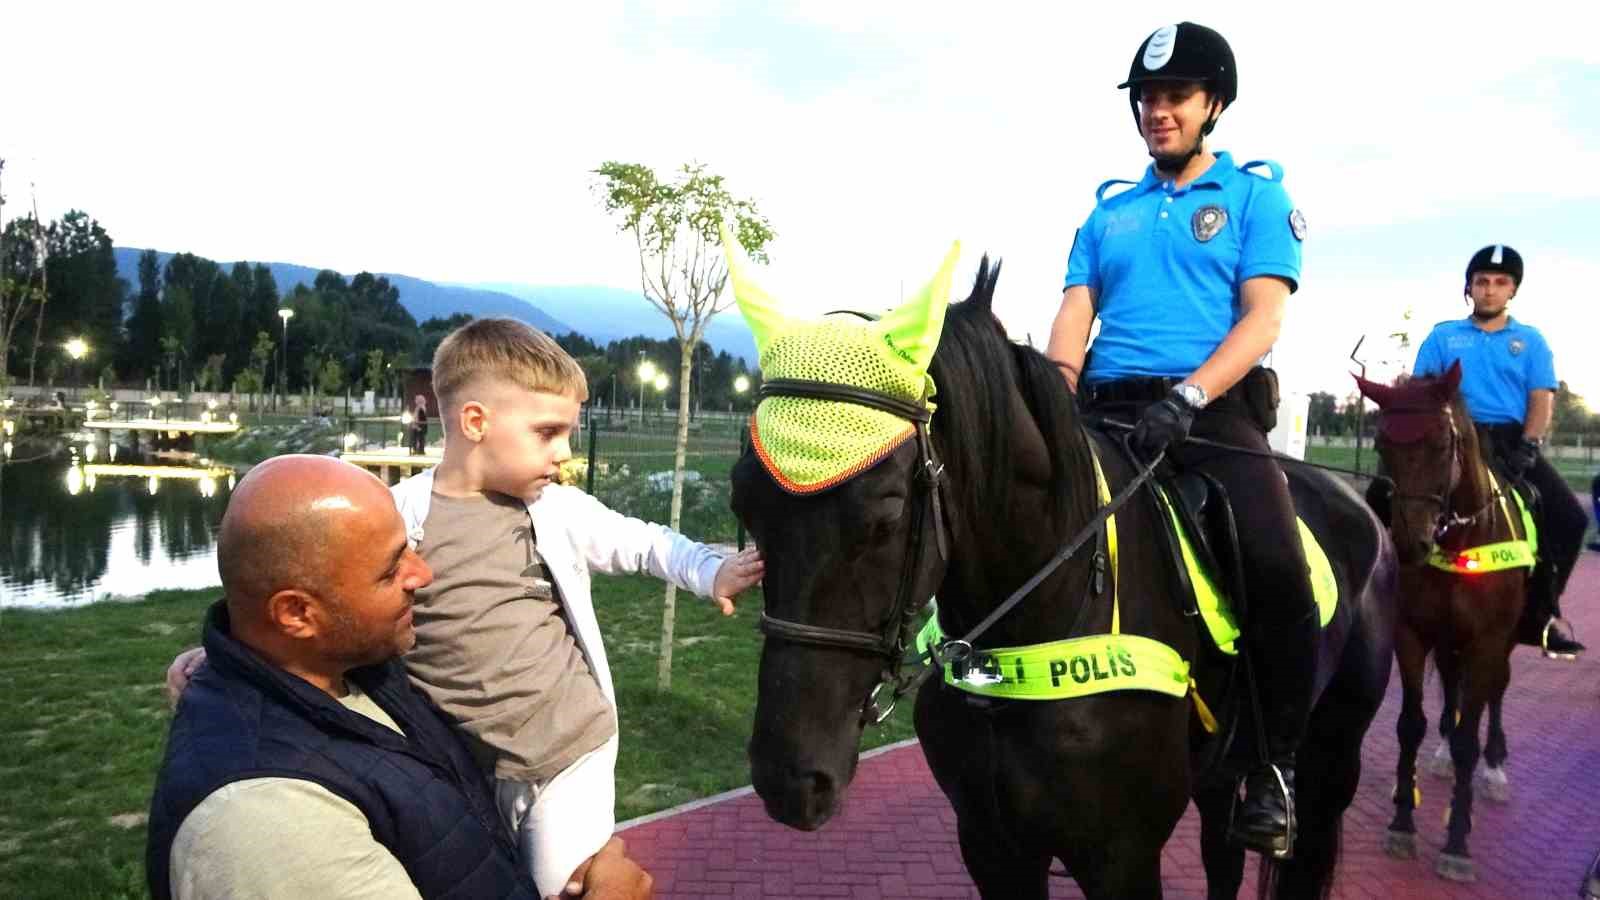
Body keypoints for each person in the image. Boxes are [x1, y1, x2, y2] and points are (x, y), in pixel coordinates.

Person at [168, 317, 763, 897]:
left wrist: (711, 572)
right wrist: (234, 654)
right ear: (476, 421)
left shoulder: (553, 510)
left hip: (567, 754)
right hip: (471, 759)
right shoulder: (401, 514)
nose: (564, 454)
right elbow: (302, 583)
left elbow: (644, 542)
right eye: (547, 433)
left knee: (567, 887)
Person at [146, 454, 653, 900]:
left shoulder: (349, 667)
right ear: (297, 614)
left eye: (409, 546)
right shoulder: (262, 824)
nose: (423, 574)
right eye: (390, 571)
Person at [1045, 21, 1312, 857]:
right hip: (1106, 411)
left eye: (1175, 98)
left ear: (1213, 105)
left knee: (1275, 562)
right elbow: (1073, 320)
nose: (1159, 112)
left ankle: (1274, 765)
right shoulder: (1108, 214)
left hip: (1211, 414)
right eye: (1148, 99)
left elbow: (1263, 317)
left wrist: (1192, 395)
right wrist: (1055, 398)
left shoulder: (1254, 198)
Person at [1409, 245, 1587, 657]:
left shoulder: (1530, 342)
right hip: (1452, 437)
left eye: (1500, 283)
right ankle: (1387, 592)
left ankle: (1539, 615)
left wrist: (1528, 447)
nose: (1490, 290)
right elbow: (1422, 392)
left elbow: (1540, 400)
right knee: (1385, 498)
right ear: (1469, 288)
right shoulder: (1442, 336)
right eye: (1482, 282)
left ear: (1513, 291)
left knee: (1569, 519)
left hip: (1509, 442)